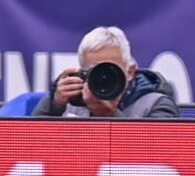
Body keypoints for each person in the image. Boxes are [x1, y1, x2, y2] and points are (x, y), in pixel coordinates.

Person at [33, 26, 179, 118]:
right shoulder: (72, 99)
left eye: (110, 70)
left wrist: (109, 116)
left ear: (130, 71)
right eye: (95, 70)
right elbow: (28, 145)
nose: (103, 78)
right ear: (83, 72)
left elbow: (157, 156)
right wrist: (54, 106)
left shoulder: (155, 104)